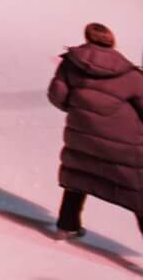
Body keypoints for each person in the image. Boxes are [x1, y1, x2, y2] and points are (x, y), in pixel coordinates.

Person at [49, 21, 143, 243]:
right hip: (124, 144)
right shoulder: (130, 74)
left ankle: (66, 227)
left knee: (79, 176)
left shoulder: (70, 64)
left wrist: (81, 112)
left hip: (83, 137)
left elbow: (57, 96)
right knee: (137, 190)